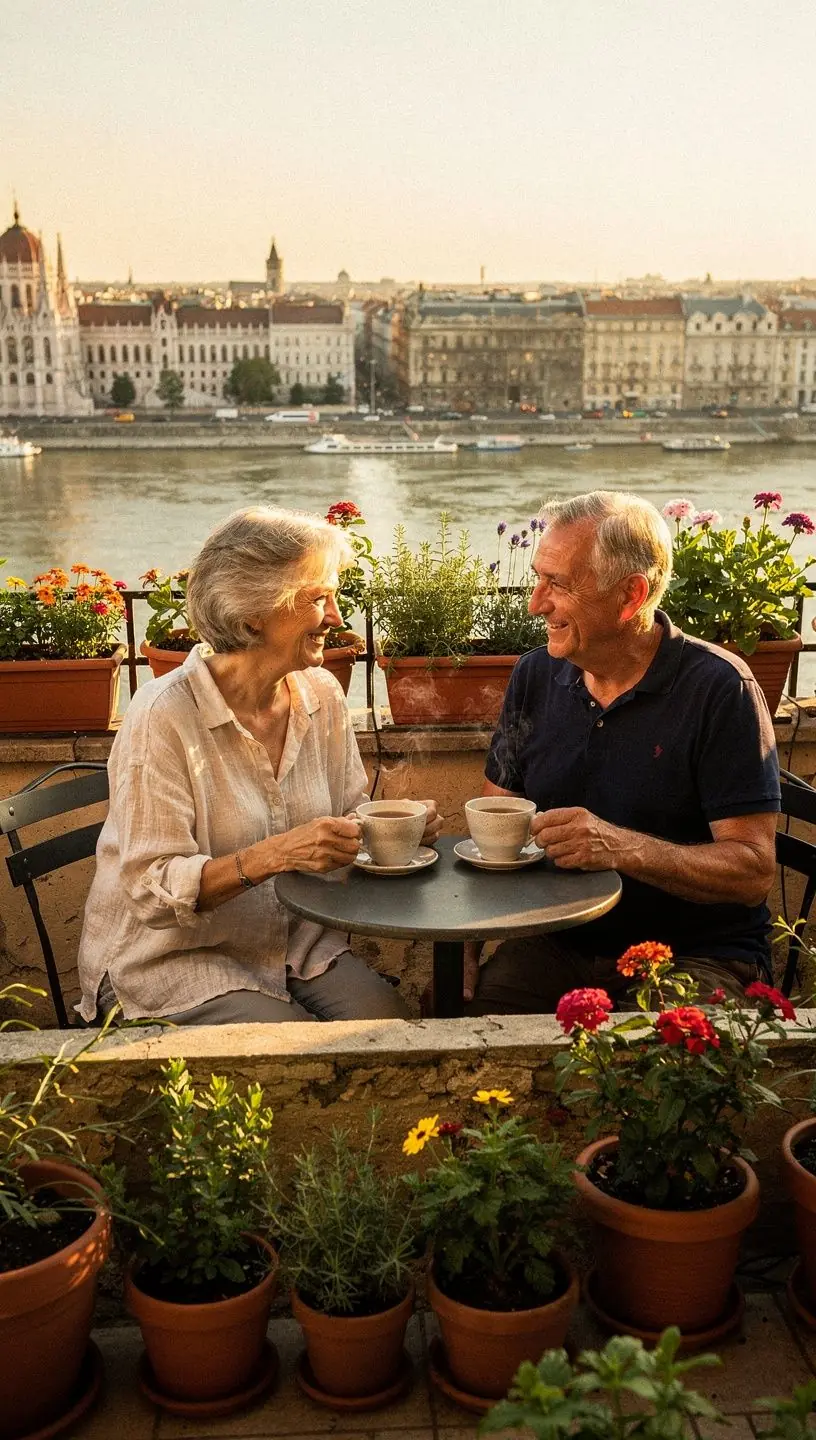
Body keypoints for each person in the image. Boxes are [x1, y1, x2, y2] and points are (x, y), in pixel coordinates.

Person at [77, 506, 441, 1025]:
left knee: (387, 1027)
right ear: (252, 614)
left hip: (293, 945)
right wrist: (274, 855)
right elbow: (150, 890)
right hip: (170, 958)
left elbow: (346, 816)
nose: (337, 618)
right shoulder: (163, 714)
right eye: (319, 598)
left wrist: (392, 831)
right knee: (289, 1045)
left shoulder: (322, 695)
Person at [464, 490, 780, 1014]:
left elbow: (752, 872)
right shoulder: (535, 675)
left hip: (695, 955)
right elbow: (492, 830)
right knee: (472, 1040)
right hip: (557, 940)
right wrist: (466, 951)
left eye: (557, 584)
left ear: (630, 595)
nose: (535, 602)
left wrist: (619, 847)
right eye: (538, 578)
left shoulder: (720, 689)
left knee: (652, 1069)